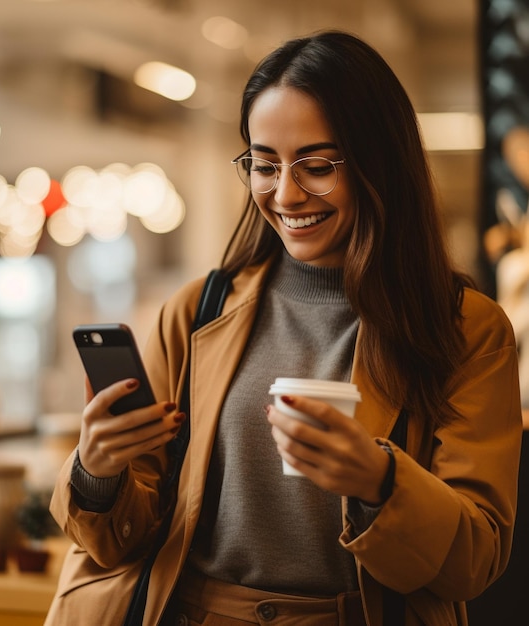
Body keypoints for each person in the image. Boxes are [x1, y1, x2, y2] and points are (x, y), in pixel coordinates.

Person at [44, 30, 523, 626]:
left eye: (317, 165)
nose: (286, 194)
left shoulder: (467, 330)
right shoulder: (198, 312)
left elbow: (475, 559)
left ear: (381, 162)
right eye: (265, 165)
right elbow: (122, 540)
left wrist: (381, 482)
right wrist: (96, 471)